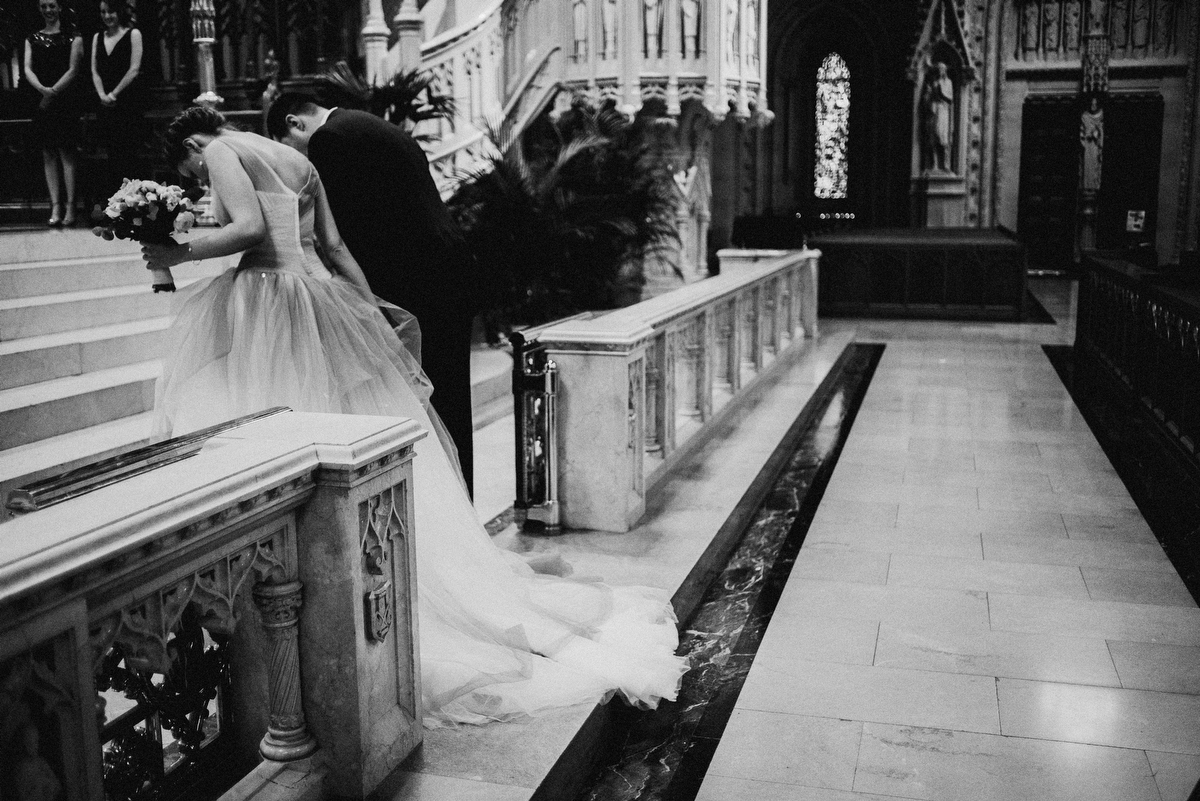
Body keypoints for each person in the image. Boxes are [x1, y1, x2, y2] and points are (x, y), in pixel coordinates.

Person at [144, 106, 687, 728]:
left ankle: (305, 594)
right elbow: (336, 246)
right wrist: (370, 309)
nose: (200, 178)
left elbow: (243, 230)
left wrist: (171, 249)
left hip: (266, 300)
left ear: (192, 142)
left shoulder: (222, 149)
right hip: (317, 296)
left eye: (191, 168)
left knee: (271, 434)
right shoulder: (296, 157)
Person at [266, 94, 476, 497]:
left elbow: (350, 229)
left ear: (294, 124)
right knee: (452, 394)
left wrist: (356, 294)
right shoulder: (375, 125)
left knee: (425, 394)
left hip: (413, 277)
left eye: (289, 147)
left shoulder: (330, 139)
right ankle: (462, 498)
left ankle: (440, 498)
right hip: (449, 262)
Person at [24, 0, 83, 226]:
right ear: (39, 9)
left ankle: (70, 207)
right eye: (44, 6)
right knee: (48, 153)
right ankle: (55, 205)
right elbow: (27, 68)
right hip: (41, 100)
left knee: (66, 153)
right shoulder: (32, 38)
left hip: (65, 100)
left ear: (59, 8)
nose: (48, 10)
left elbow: (74, 69)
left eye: (52, 6)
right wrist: (42, 90)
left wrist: (53, 91)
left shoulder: (73, 36)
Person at [90, 0, 144, 206]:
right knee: (111, 156)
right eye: (103, 12)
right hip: (104, 104)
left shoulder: (134, 34)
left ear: (119, 12)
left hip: (127, 102)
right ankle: (115, 206)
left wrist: (114, 94)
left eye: (110, 11)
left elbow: (134, 69)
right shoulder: (97, 37)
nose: (106, 16)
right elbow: (94, 70)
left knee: (128, 154)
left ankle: (133, 205)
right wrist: (102, 94)